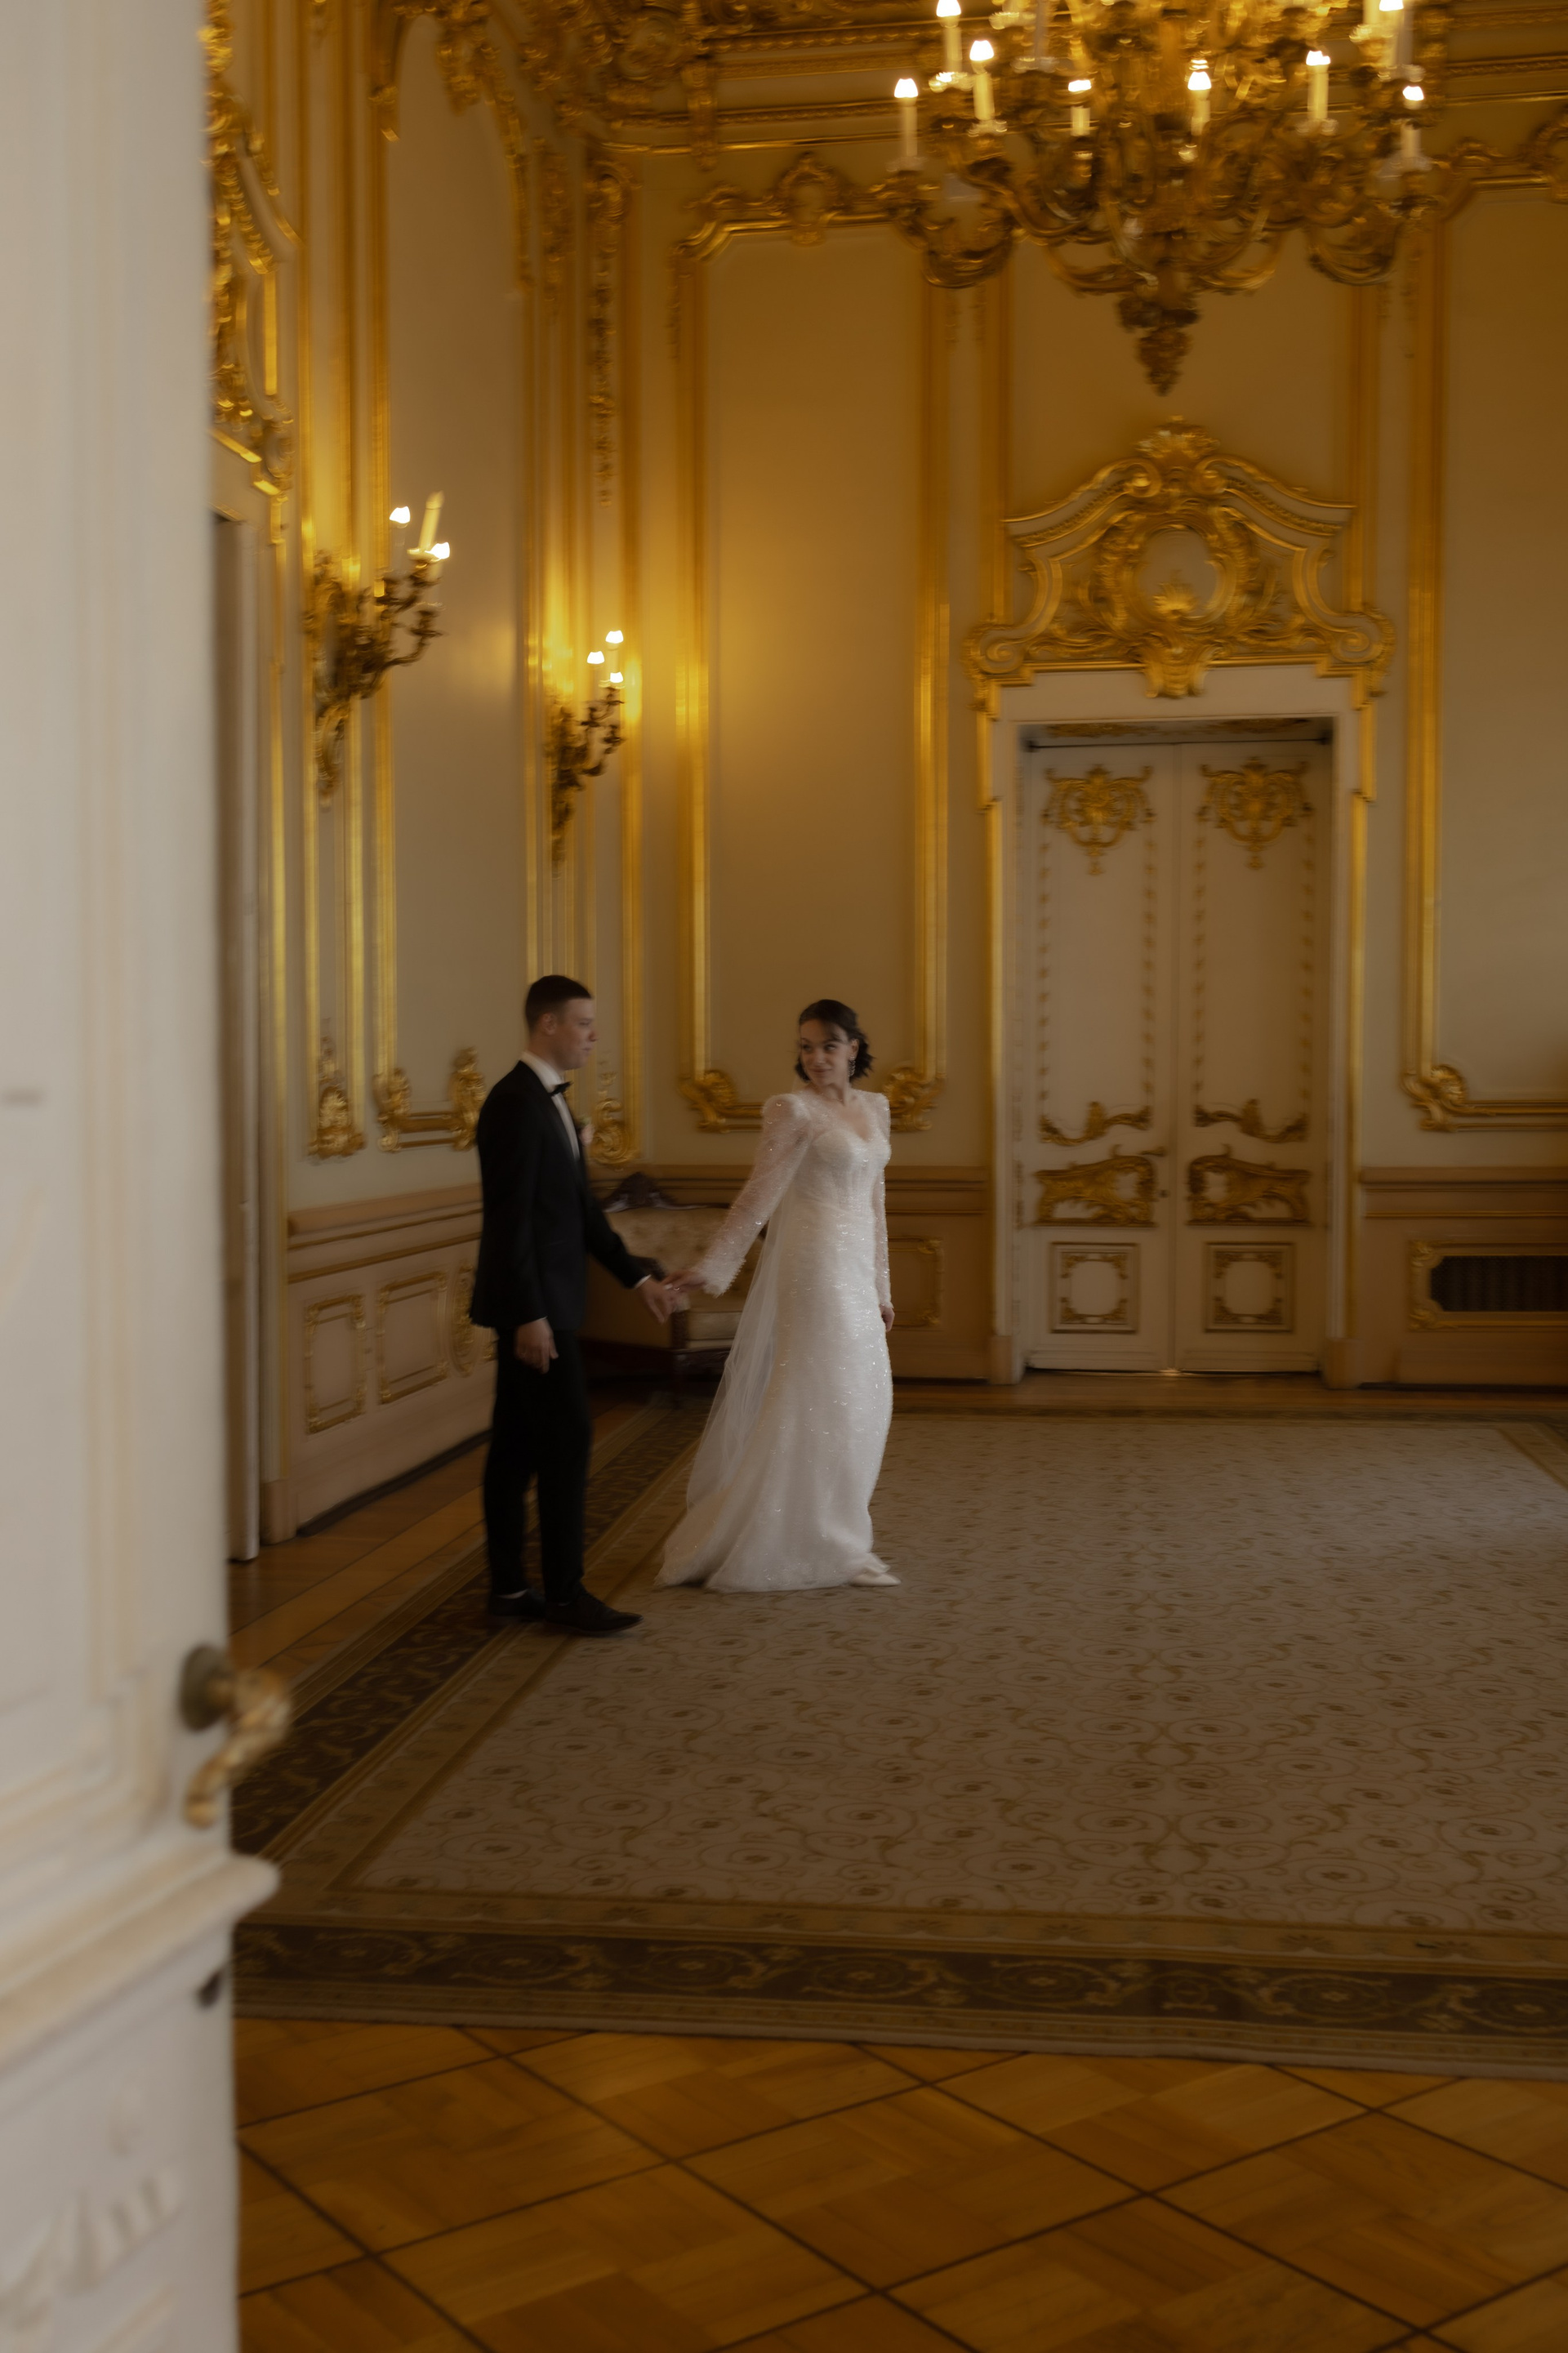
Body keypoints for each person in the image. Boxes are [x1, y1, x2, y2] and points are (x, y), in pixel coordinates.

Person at [658, 999, 898, 1593]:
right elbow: (756, 1198)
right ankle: (804, 1540)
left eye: (828, 1045)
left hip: (855, 1265)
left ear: (853, 1048)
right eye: (805, 1047)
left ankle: (842, 1535)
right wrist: (712, 1268)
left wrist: (882, 1287)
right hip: (814, 1265)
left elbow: (876, 1204)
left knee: (865, 1398)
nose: (816, 1058)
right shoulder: (791, 1110)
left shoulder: (875, 1107)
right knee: (817, 1395)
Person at [470, 976, 678, 1632]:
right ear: (549, 1025)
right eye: (584, 1023)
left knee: (514, 1446)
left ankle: (509, 1589)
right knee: (568, 1440)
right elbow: (509, 1221)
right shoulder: (513, 1103)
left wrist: (638, 1280)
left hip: (548, 1304)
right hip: (538, 1312)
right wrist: (529, 1314)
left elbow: (581, 1213)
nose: (594, 1035)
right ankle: (564, 1595)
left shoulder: (550, 1102)